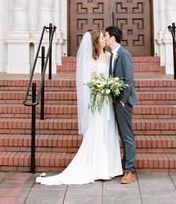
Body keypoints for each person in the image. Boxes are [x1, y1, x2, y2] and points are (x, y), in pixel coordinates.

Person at [36, 30, 122, 185]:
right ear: (97, 42)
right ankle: (98, 168)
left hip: (108, 100)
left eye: (105, 37)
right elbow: (91, 82)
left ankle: (111, 167)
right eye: (102, 37)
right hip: (98, 100)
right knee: (98, 131)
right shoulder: (93, 59)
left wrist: (110, 86)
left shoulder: (110, 56)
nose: (105, 39)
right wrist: (100, 88)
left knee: (109, 130)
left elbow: (112, 76)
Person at [105, 25, 139, 184]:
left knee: (127, 135)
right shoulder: (112, 55)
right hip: (115, 100)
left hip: (123, 102)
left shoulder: (124, 54)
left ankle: (130, 171)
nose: (104, 38)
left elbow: (129, 79)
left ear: (113, 38)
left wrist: (124, 100)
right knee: (122, 135)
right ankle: (125, 165)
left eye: (106, 36)